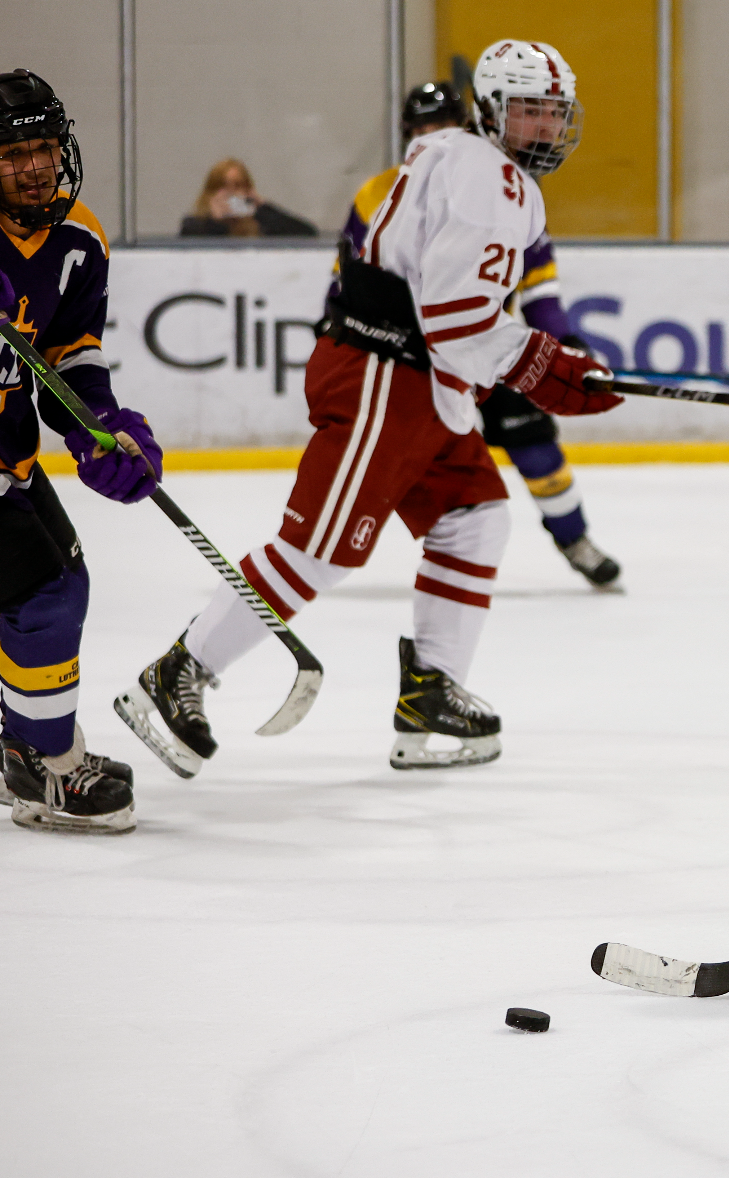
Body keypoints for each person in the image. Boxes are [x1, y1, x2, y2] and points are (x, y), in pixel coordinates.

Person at [118, 40, 620, 776]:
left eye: (553, 112)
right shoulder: (496, 184)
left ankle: (431, 690)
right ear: (489, 109)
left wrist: (539, 359)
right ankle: (178, 673)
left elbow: (439, 295)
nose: (543, 128)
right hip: (389, 372)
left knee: (475, 517)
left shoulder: (453, 150)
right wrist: (545, 365)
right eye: (527, 111)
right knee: (318, 552)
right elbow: (453, 315)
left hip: (423, 379)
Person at [336, 82, 620, 587]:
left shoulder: (504, 188)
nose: (432, 136)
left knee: (534, 444)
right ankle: (314, 543)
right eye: (422, 128)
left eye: (442, 125)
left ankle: (575, 539)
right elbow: (349, 279)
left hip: (487, 348)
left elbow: (539, 289)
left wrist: (564, 342)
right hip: (409, 362)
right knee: (381, 457)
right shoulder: (375, 193)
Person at [0, 69, 163, 833]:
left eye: (41, 148)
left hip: (11, 453)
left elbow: (68, 351)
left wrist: (98, 424)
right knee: (43, 599)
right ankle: (48, 768)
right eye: (12, 154)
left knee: (63, 579)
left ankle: (20, 743)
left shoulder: (78, 238)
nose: (34, 167)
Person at [179, 159, 317, 238]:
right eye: (224, 187)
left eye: (239, 186)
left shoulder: (263, 224)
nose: (233, 194)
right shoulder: (194, 226)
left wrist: (262, 208)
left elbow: (308, 233)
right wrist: (215, 222)